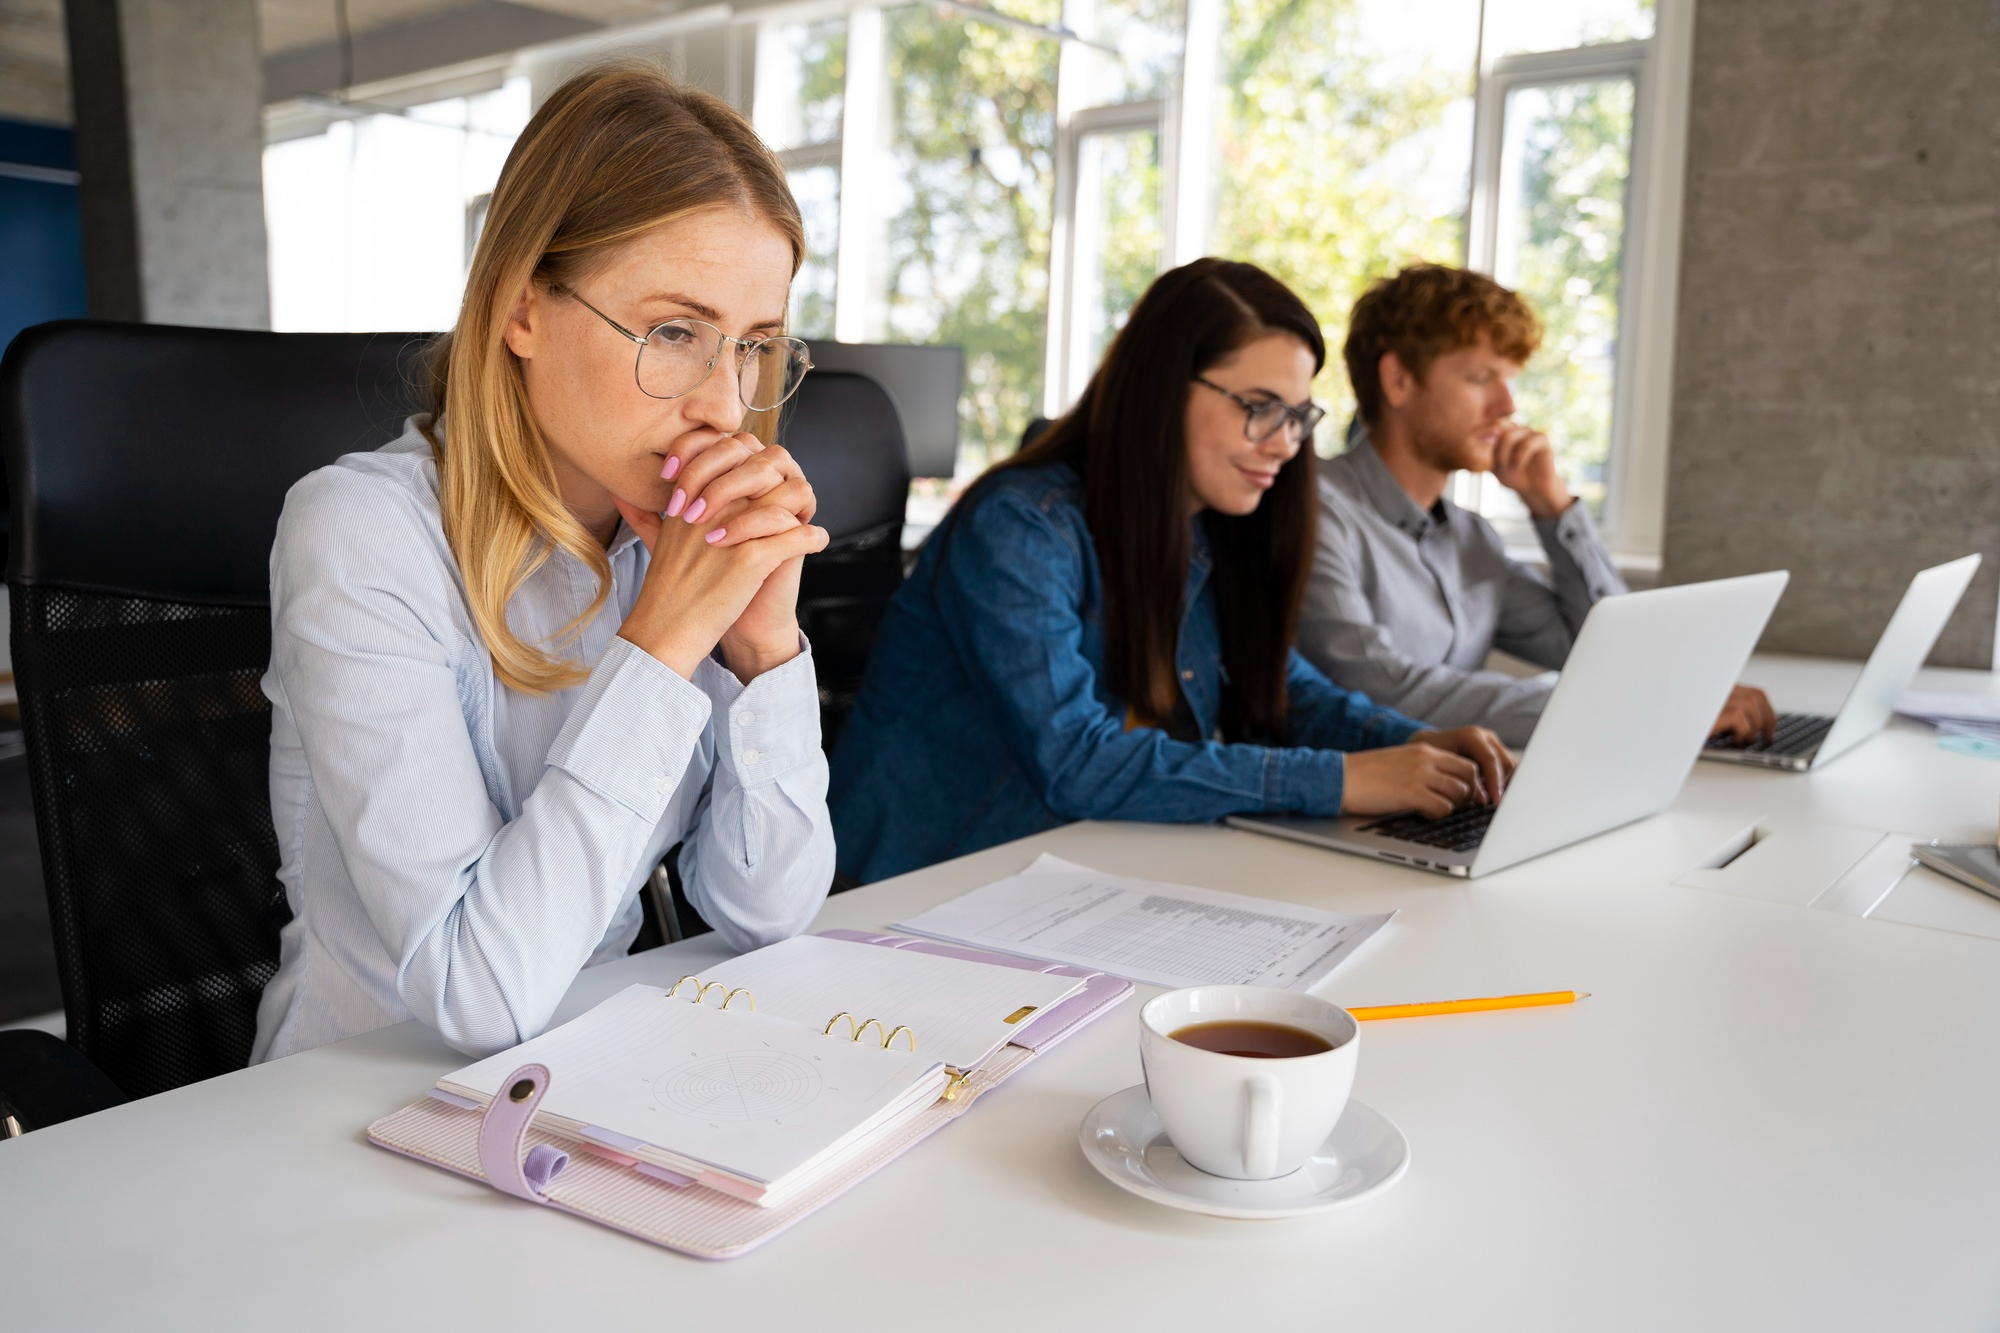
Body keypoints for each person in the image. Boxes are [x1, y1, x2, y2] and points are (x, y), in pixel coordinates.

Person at [252, 66, 835, 1062]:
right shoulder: (359, 534)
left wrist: (761, 647)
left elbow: (767, 910)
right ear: (523, 309)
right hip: (351, 1105)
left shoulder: (665, 540)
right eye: (674, 332)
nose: (726, 406)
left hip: (589, 1076)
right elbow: (476, 993)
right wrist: (663, 644)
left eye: (753, 345)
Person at [829, 259, 1513, 885]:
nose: (1284, 444)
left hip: (1064, 881)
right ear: (1162, 387)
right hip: (916, 890)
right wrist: (1341, 780)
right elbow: (1077, 761)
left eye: (1299, 416)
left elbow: (1286, 690)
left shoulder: (1210, 530)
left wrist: (1414, 744)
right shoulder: (1019, 526)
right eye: (1259, 407)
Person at [1297, 264, 1774, 748]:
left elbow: (1609, 652)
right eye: (1482, 378)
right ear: (1398, 379)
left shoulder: (1470, 538)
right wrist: (1646, 705)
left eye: (1509, 381)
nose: (1506, 406)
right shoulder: (1315, 511)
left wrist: (1553, 508)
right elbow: (1379, 690)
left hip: (1451, 796)